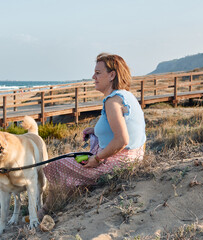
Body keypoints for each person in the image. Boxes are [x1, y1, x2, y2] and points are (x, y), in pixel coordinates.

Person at [39, 53, 146, 218]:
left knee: (56, 164)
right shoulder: (125, 95)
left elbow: (122, 140)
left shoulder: (112, 101)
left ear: (112, 75)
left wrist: (97, 159)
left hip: (121, 161)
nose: (93, 77)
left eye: (98, 73)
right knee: (87, 145)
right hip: (134, 155)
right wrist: (94, 131)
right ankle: (71, 190)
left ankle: (48, 208)